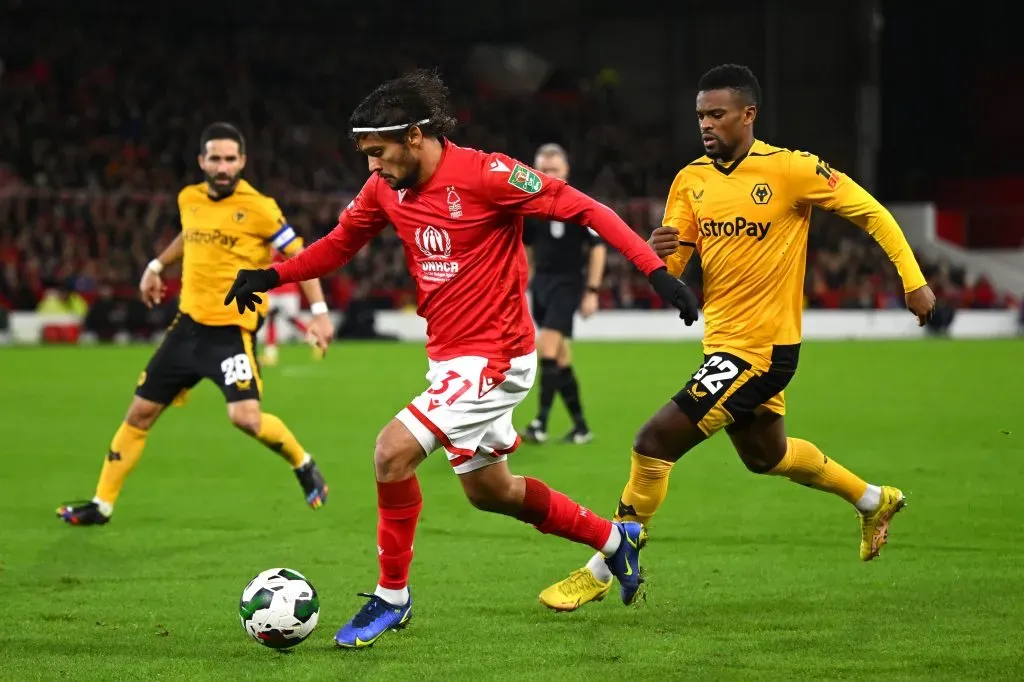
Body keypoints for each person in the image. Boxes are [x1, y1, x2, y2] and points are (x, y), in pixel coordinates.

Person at [224, 69, 700, 649]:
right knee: (491, 492)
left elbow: (585, 209)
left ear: (416, 135)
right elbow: (337, 245)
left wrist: (653, 272)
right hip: (450, 360)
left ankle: (392, 598)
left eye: (379, 153)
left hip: (496, 358)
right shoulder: (385, 190)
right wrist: (272, 275)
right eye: (366, 155)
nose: (371, 167)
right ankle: (612, 541)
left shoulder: (487, 174)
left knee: (390, 453)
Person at [538, 64, 937, 611]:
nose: (706, 124)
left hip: (762, 350)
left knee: (652, 442)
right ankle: (873, 500)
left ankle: (604, 564)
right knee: (766, 456)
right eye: (701, 114)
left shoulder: (792, 170)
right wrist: (662, 253)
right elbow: (674, 268)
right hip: (723, 344)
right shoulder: (691, 180)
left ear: (748, 114)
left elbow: (872, 214)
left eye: (717, 114)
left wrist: (913, 281)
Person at [57, 123, 335, 526]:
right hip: (186, 329)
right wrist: (155, 266)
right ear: (202, 161)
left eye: (230, 159)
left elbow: (302, 257)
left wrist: (321, 312)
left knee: (246, 418)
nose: (222, 166)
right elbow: (190, 235)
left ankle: (302, 461)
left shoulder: (260, 207)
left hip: (230, 333)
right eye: (215, 158)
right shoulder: (189, 198)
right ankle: (102, 505)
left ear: (242, 161)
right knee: (138, 415)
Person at [519, 143, 606, 445]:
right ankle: (581, 427)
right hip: (541, 285)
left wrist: (592, 291)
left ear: (566, 171)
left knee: (547, 350)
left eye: (554, 169)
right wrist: (523, 283)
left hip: (567, 285)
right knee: (561, 358)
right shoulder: (529, 208)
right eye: (544, 169)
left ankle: (540, 423)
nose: (549, 175)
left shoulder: (579, 205)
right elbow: (527, 248)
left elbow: (598, 248)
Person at [259, 254, 325, 367]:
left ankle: (316, 342)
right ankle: (270, 355)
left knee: (292, 319)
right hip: (273, 289)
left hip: (287, 289)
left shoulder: (282, 244)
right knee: (271, 318)